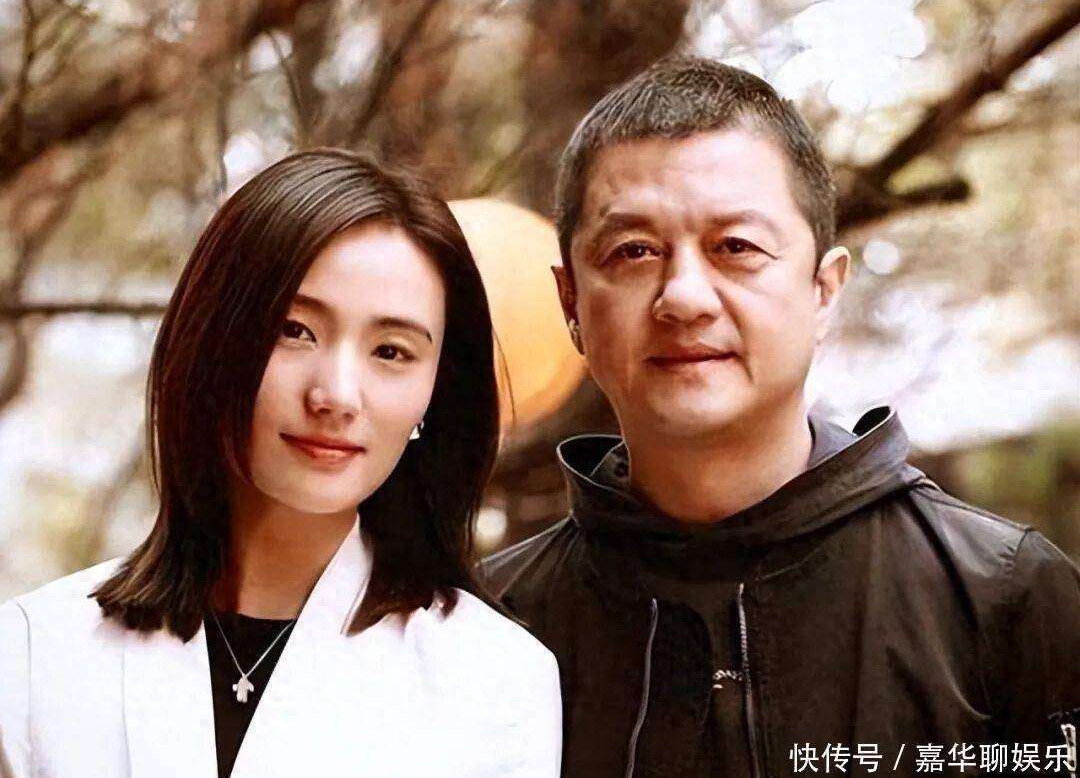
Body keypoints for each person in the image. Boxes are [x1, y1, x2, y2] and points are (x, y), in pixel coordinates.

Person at [482, 58, 1080, 777]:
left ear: (824, 291)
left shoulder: (1001, 595)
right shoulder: (487, 629)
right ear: (571, 302)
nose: (685, 298)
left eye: (736, 247)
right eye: (633, 251)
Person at [0, 149, 561, 778]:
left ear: (435, 392)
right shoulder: (34, 656)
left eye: (390, 351)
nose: (336, 395)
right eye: (295, 330)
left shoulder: (496, 685)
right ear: (213, 339)